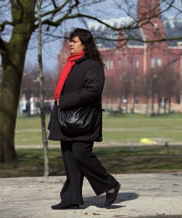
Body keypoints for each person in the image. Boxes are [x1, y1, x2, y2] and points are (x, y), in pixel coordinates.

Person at [48, 28, 120, 210]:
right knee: (69, 158)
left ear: (85, 44)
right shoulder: (72, 63)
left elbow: (93, 91)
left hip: (83, 120)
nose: (70, 44)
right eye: (70, 41)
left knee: (81, 154)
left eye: (74, 41)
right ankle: (71, 198)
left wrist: (64, 101)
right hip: (66, 118)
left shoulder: (93, 65)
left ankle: (109, 184)